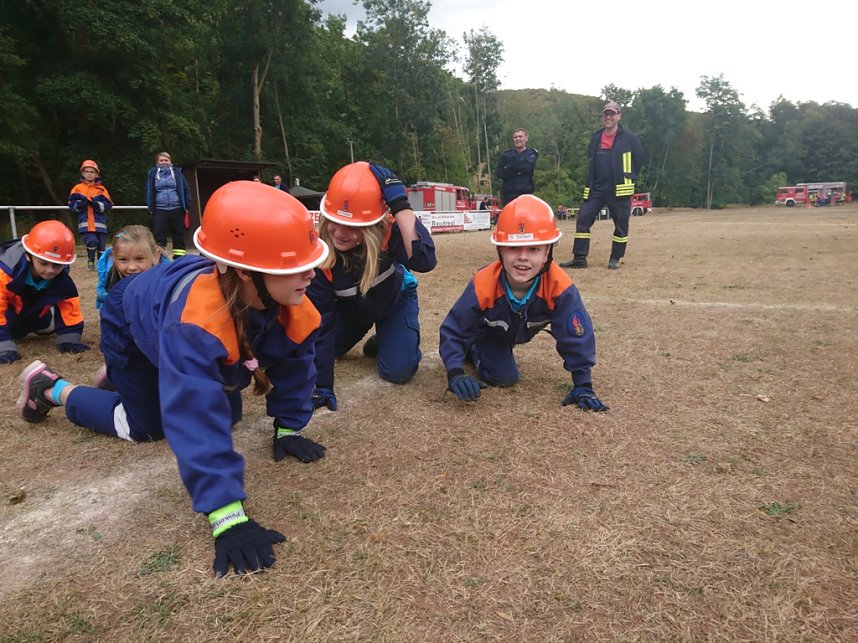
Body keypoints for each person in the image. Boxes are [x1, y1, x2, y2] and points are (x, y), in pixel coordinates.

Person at [16, 181, 330, 576]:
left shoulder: (291, 302)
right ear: (245, 273)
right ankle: (52, 388)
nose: (312, 274)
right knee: (148, 427)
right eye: (295, 267)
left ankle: (122, 379)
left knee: (228, 414)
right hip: (129, 321)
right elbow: (194, 417)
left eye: (309, 262)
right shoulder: (195, 326)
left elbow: (296, 364)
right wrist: (227, 516)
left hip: (165, 321)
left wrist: (289, 428)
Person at [439, 195, 608, 412]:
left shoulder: (560, 287)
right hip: (489, 334)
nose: (522, 258)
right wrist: (454, 372)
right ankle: (475, 348)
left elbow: (576, 335)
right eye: (513, 249)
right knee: (506, 377)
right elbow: (454, 328)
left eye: (534, 249)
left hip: (512, 331)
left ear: (548, 251)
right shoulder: (483, 283)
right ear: (499, 250)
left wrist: (583, 384)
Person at [306, 161, 437, 411]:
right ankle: (380, 334)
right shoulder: (320, 256)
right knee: (319, 353)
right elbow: (321, 324)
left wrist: (399, 204)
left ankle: (389, 337)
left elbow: (425, 261)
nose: (340, 232)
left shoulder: (389, 232)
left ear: (373, 225)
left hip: (394, 303)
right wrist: (323, 385)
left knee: (399, 371)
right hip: (353, 312)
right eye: (335, 221)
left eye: (353, 226)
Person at [559, 101, 645, 270]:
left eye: (612, 114)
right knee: (583, 220)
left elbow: (640, 159)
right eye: (606, 114)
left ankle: (615, 258)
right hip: (596, 188)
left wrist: (628, 176)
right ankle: (580, 258)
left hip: (619, 189)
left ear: (619, 116)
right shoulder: (595, 137)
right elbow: (590, 158)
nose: (608, 117)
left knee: (621, 225)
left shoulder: (630, 138)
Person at [0, 220, 90, 364]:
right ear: (28, 256)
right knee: (12, 331)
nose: (50, 270)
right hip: (9, 315)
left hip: (37, 314)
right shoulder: (5, 272)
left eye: (57, 265)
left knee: (47, 327)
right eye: (43, 263)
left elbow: (69, 306)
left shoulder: (62, 278)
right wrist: (3, 346)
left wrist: (70, 339)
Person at [96, 224, 169, 309]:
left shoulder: (167, 281)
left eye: (139, 259)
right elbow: (109, 312)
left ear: (156, 256)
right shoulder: (111, 278)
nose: (132, 267)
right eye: (123, 259)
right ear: (113, 258)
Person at [145, 151, 192, 259]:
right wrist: (151, 207)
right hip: (159, 209)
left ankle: (179, 259)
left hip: (177, 208)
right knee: (159, 235)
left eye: (166, 160)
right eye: (161, 160)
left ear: (170, 161)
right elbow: (149, 190)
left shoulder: (177, 173)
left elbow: (186, 189)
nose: (164, 162)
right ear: (157, 162)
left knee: (178, 235)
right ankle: (160, 258)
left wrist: (187, 206)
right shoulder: (152, 174)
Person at [68, 159, 113, 271]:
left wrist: (96, 204)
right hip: (86, 222)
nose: (89, 174)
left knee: (101, 246)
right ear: (83, 173)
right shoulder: (77, 188)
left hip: (99, 223)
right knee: (92, 241)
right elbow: (71, 204)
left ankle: (101, 264)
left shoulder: (101, 189)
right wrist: (80, 204)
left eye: (92, 172)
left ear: (97, 174)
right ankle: (90, 260)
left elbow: (108, 205)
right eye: (87, 171)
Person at [495, 128, 539, 206]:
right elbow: (500, 173)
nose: (517, 139)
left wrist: (509, 167)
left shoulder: (531, 153)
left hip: (525, 195)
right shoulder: (506, 155)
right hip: (508, 196)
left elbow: (527, 167)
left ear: (526, 138)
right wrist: (519, 171)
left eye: (520, 136)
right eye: (515, 137)